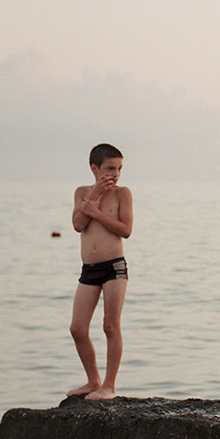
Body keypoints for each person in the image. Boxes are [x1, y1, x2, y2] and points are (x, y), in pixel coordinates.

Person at [67, 143, 133, 401]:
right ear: (94, 168)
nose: (115, 174)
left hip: (114, 268)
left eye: (119, 169)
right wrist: (93, 197)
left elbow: (125, 229)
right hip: (89, 270)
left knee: (110, 326)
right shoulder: (82, 193)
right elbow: (77, 224)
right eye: (109, 168)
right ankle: (93, 380)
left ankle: (109, 386)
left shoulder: (122, 194)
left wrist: (95, 212)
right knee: (77, 328)